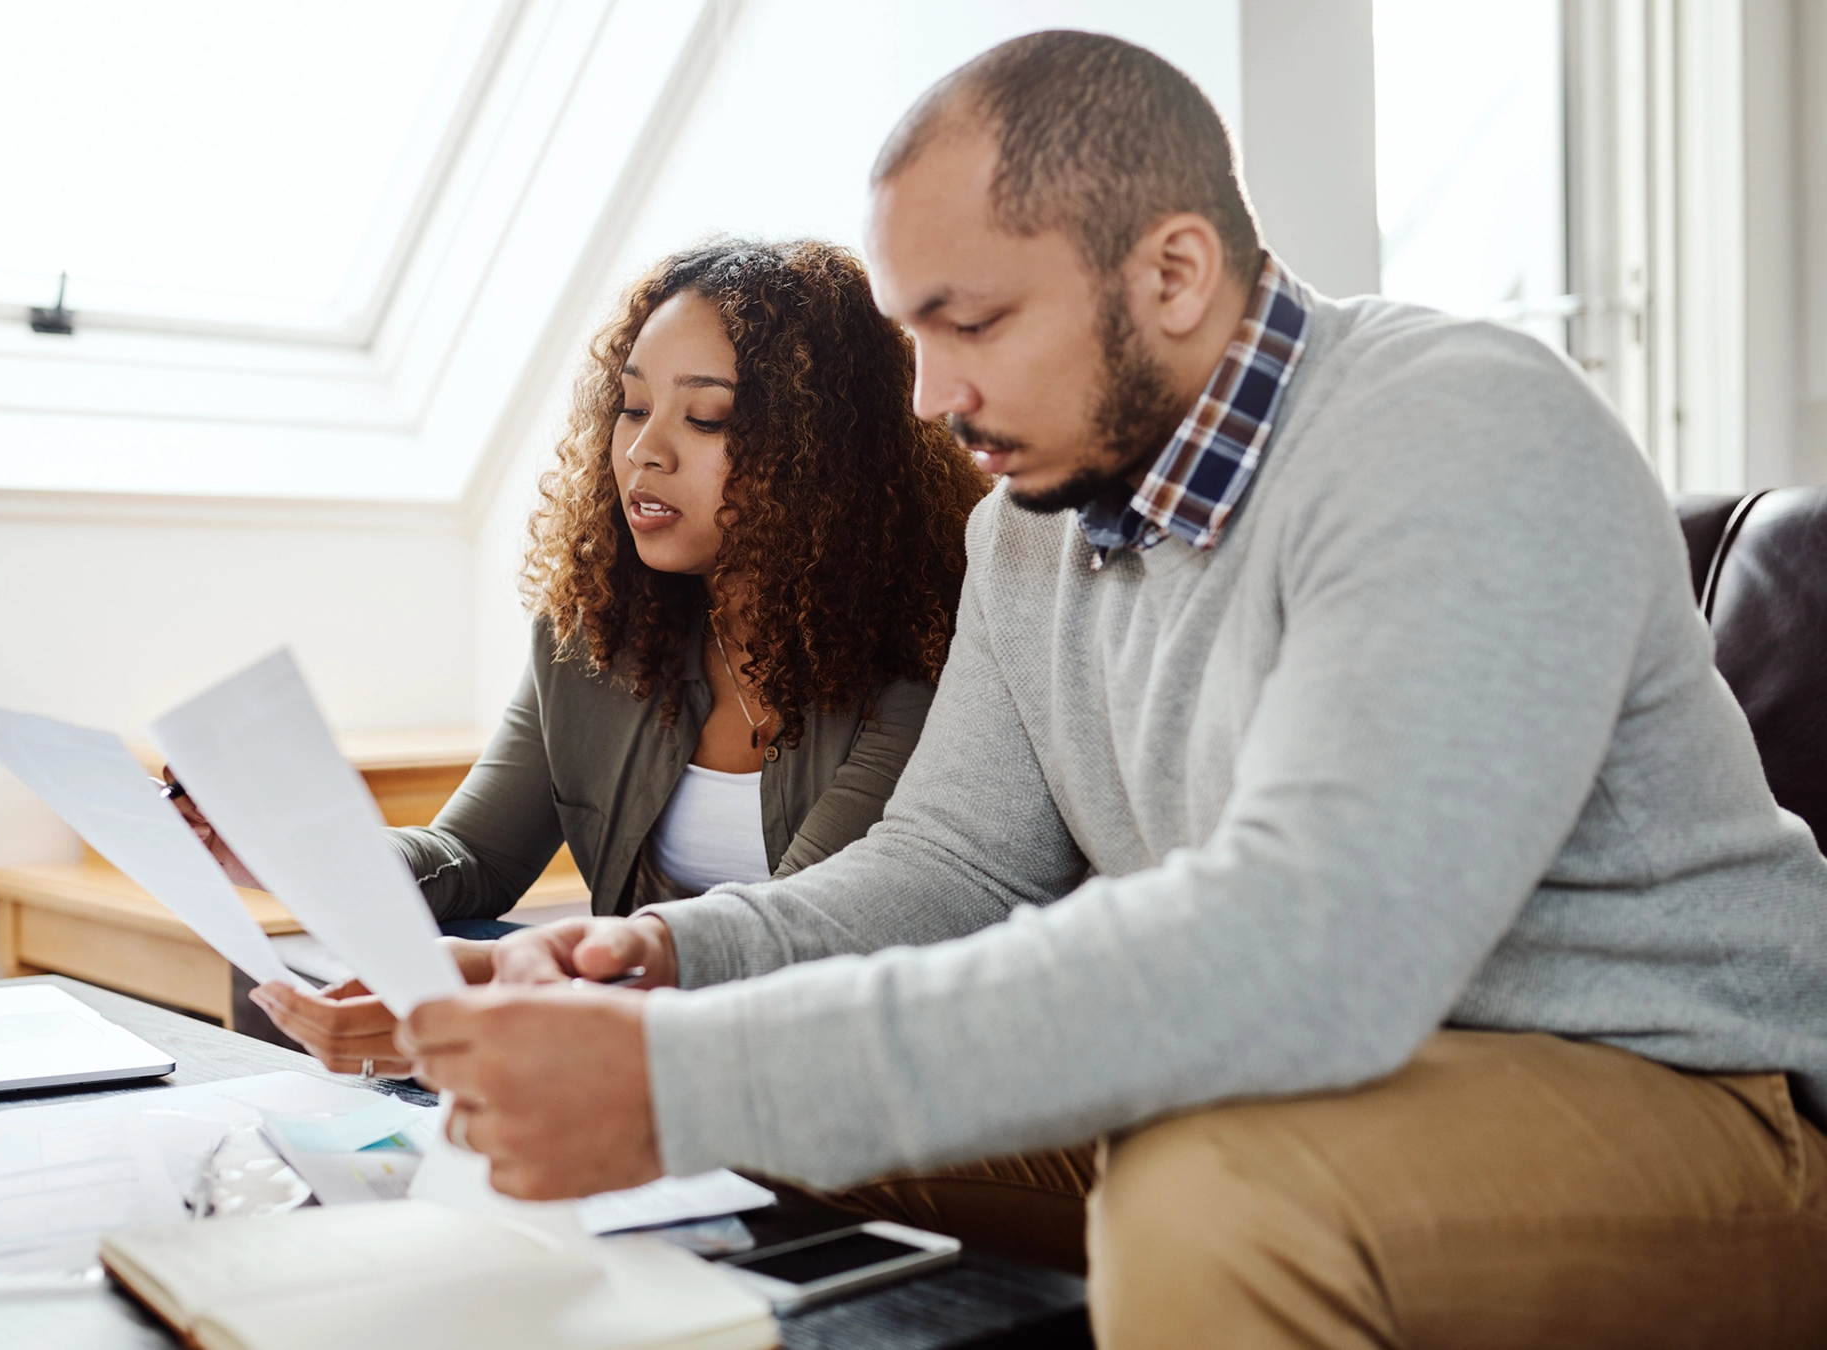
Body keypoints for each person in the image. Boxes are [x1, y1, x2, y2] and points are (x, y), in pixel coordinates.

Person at [391, 31, 1827, 1348]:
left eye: (973, 323)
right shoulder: (1025, 534)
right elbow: (949, 861)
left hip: (1689, 1096)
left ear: (1174, 273)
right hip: (1310, 1068)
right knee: (789, 1122)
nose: (926, 397)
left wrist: (681, 1073)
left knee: (1217, 1190)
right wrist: (667, 970)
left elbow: (1308, 953)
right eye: (914, 335)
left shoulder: (1459, 429)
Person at [184, 238, 986, 1077]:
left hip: (826, 1064)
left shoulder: (926, 654)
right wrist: (290, 848)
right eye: (633, 407)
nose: (647, 450)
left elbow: (794, 938)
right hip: (633, 1045)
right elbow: (473, 861)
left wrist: (508, 981)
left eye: (707, 418)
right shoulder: (592, 634)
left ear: (829, 456)